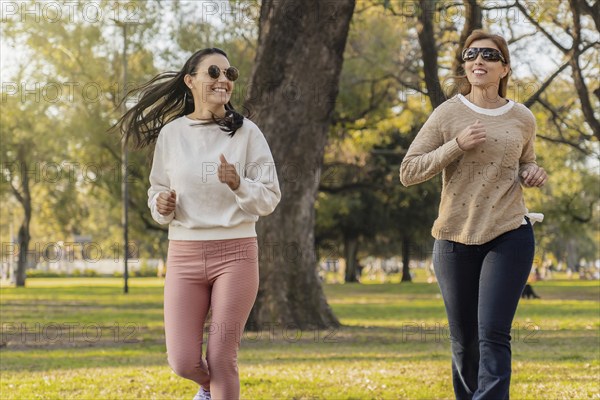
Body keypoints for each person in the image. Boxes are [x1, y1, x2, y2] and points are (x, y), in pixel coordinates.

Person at [114, 48, 281, 400]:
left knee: (222, 358)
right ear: (191, 80)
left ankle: (218, 387)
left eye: (229, 74)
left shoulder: (247, 133)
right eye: (214, 72)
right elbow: (158, 190)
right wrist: (162, 204)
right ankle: (209, 389)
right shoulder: (172, 135)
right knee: (183, 361)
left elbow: (269, 197)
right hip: (184, 255)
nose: (224, 80)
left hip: (236, 254)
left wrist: (238, 183)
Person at [399, 30, 547, 399]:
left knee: (493, 333)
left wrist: (533, 172)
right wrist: (455, 145)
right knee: (465, 341)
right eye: (471, 54)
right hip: (454, 238)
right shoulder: (447, 113)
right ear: (465, 66)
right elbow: (409, 171)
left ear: (504, 69)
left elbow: (526, 163)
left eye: (489, 55)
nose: (478, 59)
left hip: (509, 232)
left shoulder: (523, 117)